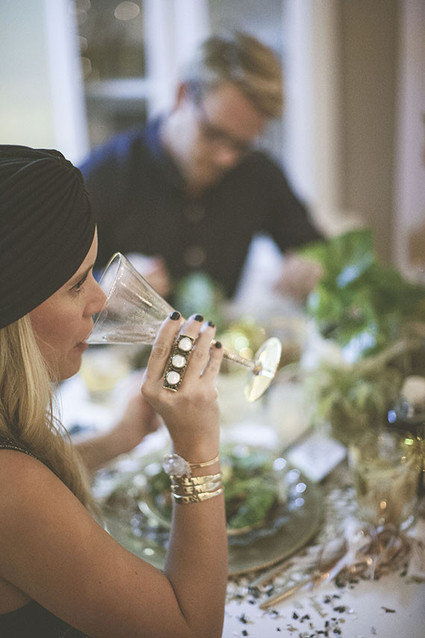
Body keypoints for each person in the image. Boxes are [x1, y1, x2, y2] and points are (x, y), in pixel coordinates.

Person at [0, 145, 227, 637]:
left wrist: (117, 440)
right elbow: (193, 630)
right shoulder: (9, 488)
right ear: (12, 311)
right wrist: (197, 450)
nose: (100, 300)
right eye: (77, 284)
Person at [80, 31, 323, 303]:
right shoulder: (102, 176)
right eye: (213, 134)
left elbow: (318, 252)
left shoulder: (259, 173)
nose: (226, 158)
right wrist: (105, 286)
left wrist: (311, 270)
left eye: (242, 145)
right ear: (182, 95)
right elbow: (57, 293)